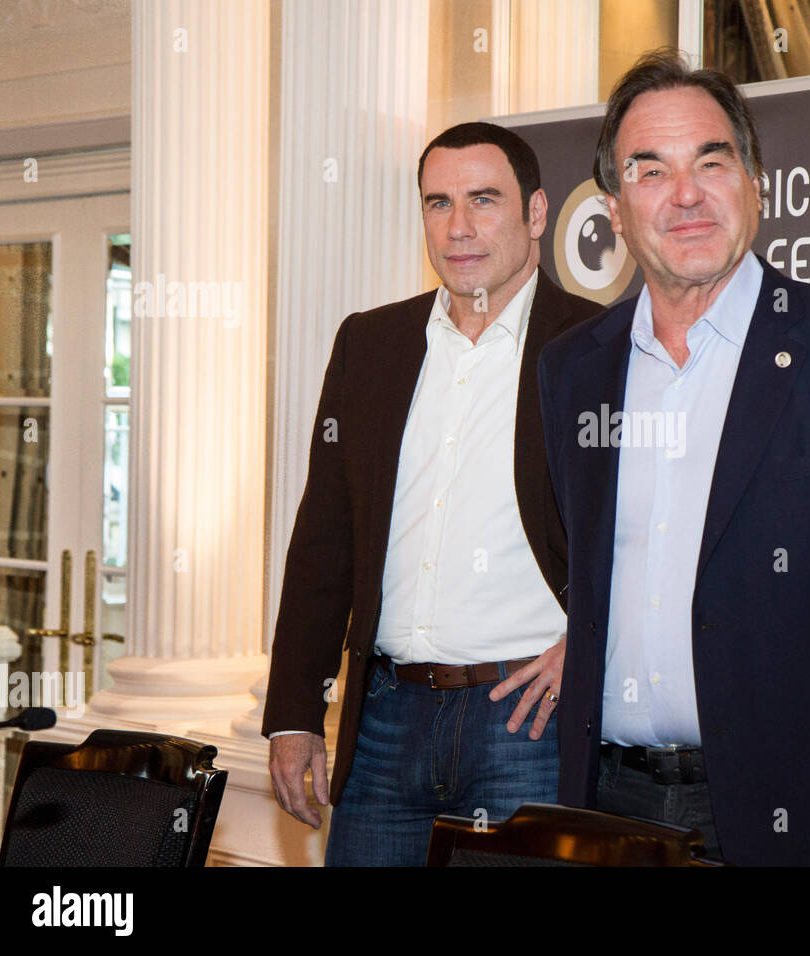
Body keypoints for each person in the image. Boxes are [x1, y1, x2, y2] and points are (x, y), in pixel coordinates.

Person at [537, 50, 810, 866]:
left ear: (755, 184)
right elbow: (578, 560)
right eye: (651, 170)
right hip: (613, 807)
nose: (686, 194)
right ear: (614, 209)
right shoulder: (574, 369)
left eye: (713, 160)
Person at [263, 121, 603, 865]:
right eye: (437, 202)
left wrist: (596, 641)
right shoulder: (370, 344)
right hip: (383, 722)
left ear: (537, 214)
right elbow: (324, 542)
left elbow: (652, 529)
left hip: (525, 727)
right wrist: (292, 714)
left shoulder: (599, 347)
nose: (458, 227)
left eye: (484, 200)